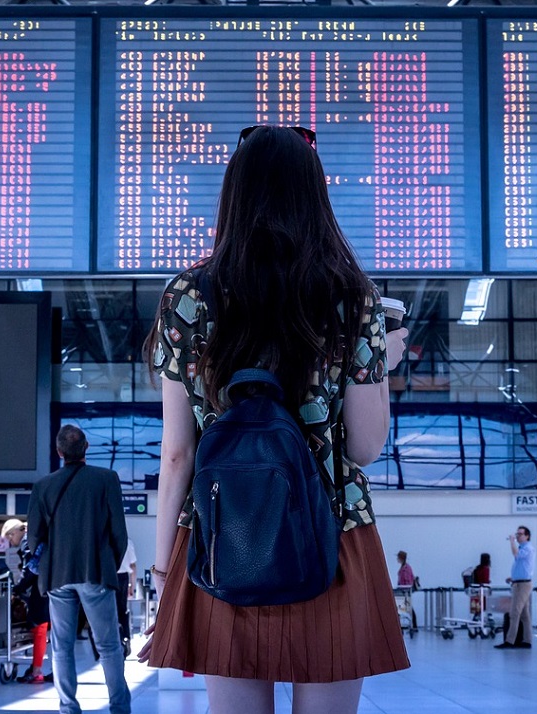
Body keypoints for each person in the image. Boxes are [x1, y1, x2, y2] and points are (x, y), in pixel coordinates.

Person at [139, 125, 411, 714]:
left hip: (220, 534)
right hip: (332, 534)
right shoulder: (353, 298)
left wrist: (163, 568)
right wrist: (380, 364)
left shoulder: (187, 295)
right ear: (315, 196)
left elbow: (177, 453)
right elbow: (364, 447)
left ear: (233, 195)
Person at [28, 424, 129, 714]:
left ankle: (68, 708)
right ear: (86, 447)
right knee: (109, 645)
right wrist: (110, 562)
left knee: (61, 647)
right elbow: (118, 533)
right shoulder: (106, 479)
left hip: (57, 576)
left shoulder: (42, 486)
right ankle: (119, 707)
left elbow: (34, 536)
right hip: (95, 571)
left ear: (59, 452)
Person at [2, 518, 52, 684]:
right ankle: (45, 668)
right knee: (49, 630)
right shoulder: (38, 537)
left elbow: (31, 567)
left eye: (9, 536)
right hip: (51, 585)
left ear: (16, 531)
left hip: (40, 589)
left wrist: (17, 589)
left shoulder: (27, 540)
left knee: (39, 628)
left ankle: (37, 670)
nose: (10, 541)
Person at [496, 526, 535, 650]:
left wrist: (512, 541)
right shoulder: (523, 548)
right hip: (519, 582)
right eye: (517, 534)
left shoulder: (527, 548)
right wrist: (513, 577)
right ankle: (527, 640)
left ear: (527, 536)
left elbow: (516, 555)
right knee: (524, 615)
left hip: (523, 585)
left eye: (520, 534)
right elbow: (523, 567)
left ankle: (510, 641)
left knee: (514, 612)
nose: (518, 536)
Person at [116, 538, 137, 657]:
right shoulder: (127, 542)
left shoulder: (104, 539)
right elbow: (133, 566)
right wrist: (132, 586)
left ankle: (115, 641)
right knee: (122, 611)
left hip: (108, 577)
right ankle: (125, 638)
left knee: (109, 612)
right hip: (123, 578)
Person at [396, 551, 418, 631]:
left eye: (398, 557)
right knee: (405, 607)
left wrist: (403, 588)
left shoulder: (406, 568)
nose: (397, 559)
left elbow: (408, 580)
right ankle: (412, 624)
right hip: (403, 590)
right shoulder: (404, 567)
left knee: (406, 607)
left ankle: (414, 625)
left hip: (405, 591)